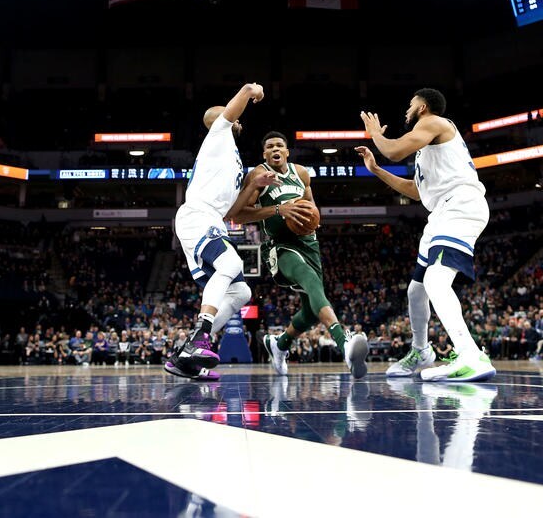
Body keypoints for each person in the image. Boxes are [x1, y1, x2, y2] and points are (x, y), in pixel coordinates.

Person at [357, 88, 494, 382]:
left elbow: (393, 150)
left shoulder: (433, 122)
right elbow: (417, 192)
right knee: (416, 290)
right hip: (440, 214)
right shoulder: (427, 147)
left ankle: (471, 356)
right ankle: (421, 351)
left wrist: (375, 135)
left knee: (435, 281)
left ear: (421, 106)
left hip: (459, 205)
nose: (407, 110)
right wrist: (376, 170)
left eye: (410, 104)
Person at [229, 131, 368, 379]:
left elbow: (310, 203)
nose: (275, 149)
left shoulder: (301, 173)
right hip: (280, 246)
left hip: (309, 243)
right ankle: (343, 342)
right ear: (264, 154)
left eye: (279, 145)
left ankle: (280, 344)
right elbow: (237, 215)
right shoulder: (258, 176)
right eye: (270, 146)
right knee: (311, 282)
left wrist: (310, 217)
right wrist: (278, 209)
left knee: (311, 310)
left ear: (287, 151)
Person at [168, 83, 277, 381]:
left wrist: (255, 185)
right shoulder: (218, 134)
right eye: (233, 117)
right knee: (231, 264)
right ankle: (202, 337)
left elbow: (232, 213)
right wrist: (251, 89)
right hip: (198, 215)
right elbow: (237, 102)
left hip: (213, 219)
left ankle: (184, 356)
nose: (238, 120)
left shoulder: (230, 156)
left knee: (241, 292)